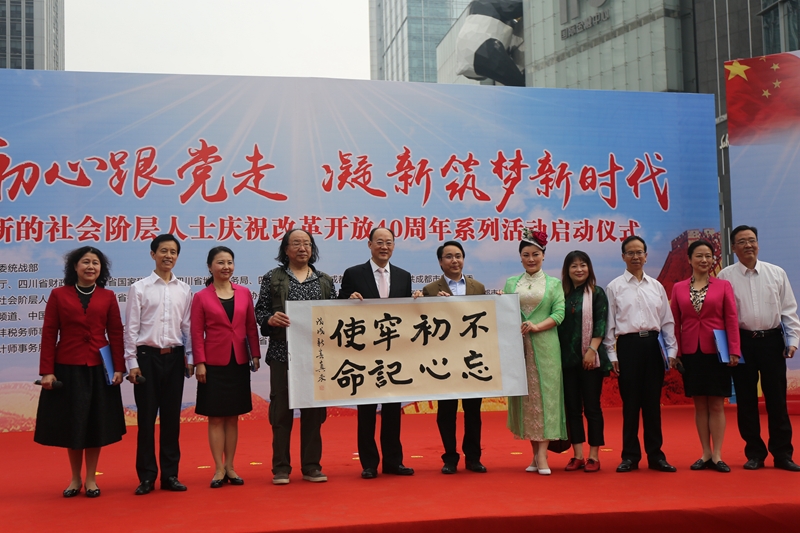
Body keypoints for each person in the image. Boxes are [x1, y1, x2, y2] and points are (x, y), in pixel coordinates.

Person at [34, 246, 126, 498]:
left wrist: (119, 368)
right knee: (73, 423)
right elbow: (49, 333)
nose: (90, 267)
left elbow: (116, 333)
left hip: (99, 369)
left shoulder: (108, 296)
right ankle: (75, 478)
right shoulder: (58, 295)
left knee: (95, 424)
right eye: (85, 262)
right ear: (74, 267)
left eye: (95, 263)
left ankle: (91, 478)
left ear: (101, 269)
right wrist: (47, 371)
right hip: (67, 367)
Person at [255, 229, 336, 485]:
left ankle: (311, 466)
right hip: (282, 353)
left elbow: (335, 315)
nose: (303, 248)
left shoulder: (324, 280)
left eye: (307, 244)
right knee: (281, 412)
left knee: (314, 412)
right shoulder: (273, 278)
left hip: (316, 355)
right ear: (286, 249)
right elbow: (260, 311)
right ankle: (281, 467)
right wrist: (270, 319)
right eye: (297, 244)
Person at [718, 225, 800, 471]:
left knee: (777, 399)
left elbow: (789, 309)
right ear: (733, 248)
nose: (748, 245)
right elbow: (720, 316)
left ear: (758, 244)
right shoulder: (725, 277)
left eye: (752, 240)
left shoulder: (776, 273)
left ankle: (782, 454)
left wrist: (792, 340)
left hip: (772, 341)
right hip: (741, 343)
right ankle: (754, 453)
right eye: (742, 241)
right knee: (746, 401)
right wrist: (728, 349)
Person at [339, 227, 414, 479]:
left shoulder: (404, 276)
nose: (384, 247)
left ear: (394, 246)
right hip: (365, 353)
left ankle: (393, 462)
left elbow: (408, 315)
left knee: (393, 410)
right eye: (379, 242)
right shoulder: (353, 274)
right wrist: (348, 299)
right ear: (369, 244)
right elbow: (338, 307)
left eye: (389, 242)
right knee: (367, 411)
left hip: (393, 353)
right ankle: (369, 463)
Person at [125, 234, 193, 495]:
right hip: (146, 359)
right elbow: (131, 329)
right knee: (146, 419)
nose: (168, 256)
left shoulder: (184, 289)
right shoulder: (139, 288)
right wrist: (132, 363)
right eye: (164, 251)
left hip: (174, 358)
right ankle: (146, 476)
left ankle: (170, 475)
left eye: (173, 252)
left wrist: (190, 357)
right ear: (153, 254)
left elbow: (186, 327)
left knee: (172, 419)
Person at [604, 235, 678, 473]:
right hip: (628, 347)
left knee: (653, 405)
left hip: (653, 347)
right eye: (630, 253)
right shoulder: (614, 287)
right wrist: (612, 356)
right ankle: (630, 457)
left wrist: (672, 350)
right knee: (631, 405)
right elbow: (609, 325)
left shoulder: (656, 286)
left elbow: (667, 322)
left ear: (646, 256)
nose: (635, 257)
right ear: (623, 256)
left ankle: (656, 456)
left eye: (639, 252)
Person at [191, 246, 261, 488]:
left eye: (229, 262)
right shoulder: (201, 297)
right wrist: (199, 362)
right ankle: (218, 468)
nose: (226, 267)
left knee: (233, 417)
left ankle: (230, 466)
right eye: (220, 262)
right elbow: (196, 332)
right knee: (216, 418)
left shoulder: (244, 293)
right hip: (213, 364)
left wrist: (255, 355)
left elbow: (251, 326)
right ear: (210, 267)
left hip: (238, 361)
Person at [416, 240, 487, 474]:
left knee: (473, 411)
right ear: (440, 262)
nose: (454, 260)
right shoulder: (430, 290)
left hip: (472, 358)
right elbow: (424, 323)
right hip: (444, 360)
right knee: (446, 411)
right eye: (449, 256)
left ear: (463, 259)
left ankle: (473, 457)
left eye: (458, 256)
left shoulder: (478, 287)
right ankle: (450, 458)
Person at [670, 239, 740, 473]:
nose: (704, 260)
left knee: (717, 404)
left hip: (717, 352)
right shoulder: (678, 288)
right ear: (689, 259)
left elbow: (731, 318)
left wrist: (734, 350)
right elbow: (675, 322)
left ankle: (718, 454)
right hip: (691, 352)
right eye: (699, 256)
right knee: (700, 405)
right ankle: (705, 453)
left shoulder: (723, 286)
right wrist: (675, 352)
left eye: (708, 256)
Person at [505, 229, 566, 476]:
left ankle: (542, 456)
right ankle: (535, 453)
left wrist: (537, 326)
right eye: (526, 255)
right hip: (519, 347)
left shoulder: (554, 284)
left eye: (535, 254)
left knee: (546, 398)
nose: (531, 259)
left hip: (546, 346)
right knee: (527, 399)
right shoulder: (511, 283)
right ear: (520, 257)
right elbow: (505, 312)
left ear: (543, 255)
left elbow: (559, 313)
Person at [557, 250, 611, 473]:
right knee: (572, 409)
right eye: (574, 266)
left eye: (583, 265)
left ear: (589, 268)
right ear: (567, 270)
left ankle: (594, 456)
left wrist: (591, 350)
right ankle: (577, 455)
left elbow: (601, 324)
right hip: (566, 360)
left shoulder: (597, 293)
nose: (579, 269)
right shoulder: (560, 294)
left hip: (591, 359)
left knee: (592, 408)